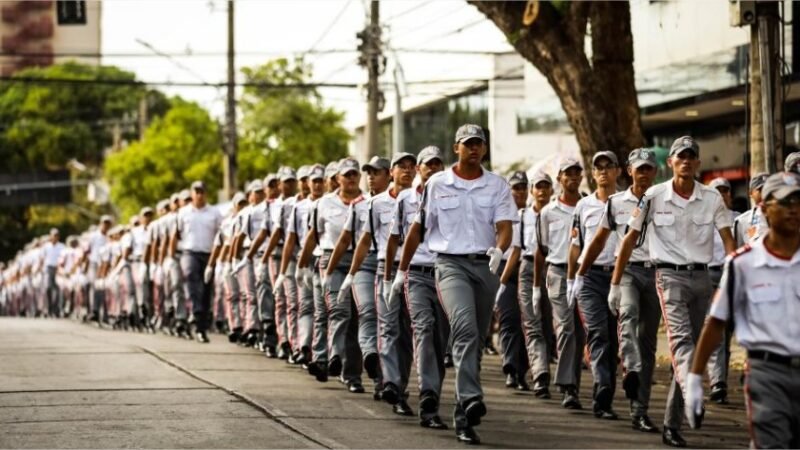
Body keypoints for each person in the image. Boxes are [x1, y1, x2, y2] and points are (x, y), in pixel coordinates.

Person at [396, 124, 517, 444]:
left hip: (485, 266)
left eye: (479, 144)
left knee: (476, 338)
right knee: (463, 327)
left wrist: (499, 249)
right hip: (449, 264)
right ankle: (471, 396)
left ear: (485, 149)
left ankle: (464, 414)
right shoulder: (437, 184)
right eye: (468, 144)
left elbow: (505, 226)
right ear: (457, 148)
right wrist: (400, 271)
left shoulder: (497, 185)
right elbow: (417, 231)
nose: (474, 148)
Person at [612, 136, 736, 447]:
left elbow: (729, 242)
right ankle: (694, 390)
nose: (685, 161)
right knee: (681, 345)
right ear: (670, 163)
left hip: (702, 279)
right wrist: (615, 283)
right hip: (668, 278)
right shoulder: (653, 196)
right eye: (679, 156)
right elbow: (628, 239)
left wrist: (737, 277)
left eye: (690, 156)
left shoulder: (711, 199)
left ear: (697, 163)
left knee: (692, 349)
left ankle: (671, 424)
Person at [686, 171, 800, 449]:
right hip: (767, 373)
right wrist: (694, 379)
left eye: (798, 201)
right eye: (784, 202)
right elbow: (716, 322)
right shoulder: (743, 264)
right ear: (764, 209)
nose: (793, 209)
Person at [577, 148, 660, 432]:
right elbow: (595, 242)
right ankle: (613, 381)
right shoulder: (612, 204)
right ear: (629, 171)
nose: (644, 173)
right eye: (639, 168)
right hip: (619, 274)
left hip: (656, 273)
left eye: (649, 168)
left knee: (644, 343)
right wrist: (577, 275)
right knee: (617, 323)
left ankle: (639, 408)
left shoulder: (664, 199)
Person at [385, 145, 449, 429]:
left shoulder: (451, 197)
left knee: (440, 338)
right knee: (421, 330)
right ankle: (426, 396)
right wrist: (393, 275)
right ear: (419, 169)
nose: (433, 168)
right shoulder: (405, 200)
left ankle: (432, 394)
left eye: (438, 164)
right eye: (428, 164)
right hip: (417, 274)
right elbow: (394, 239)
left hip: (448, 274)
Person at [348, 153, 417, 410]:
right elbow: (365, 240)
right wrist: (352, 273)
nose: (407, 172)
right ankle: (390, 385)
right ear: (392, 172)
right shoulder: (375, 203)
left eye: (412, 168)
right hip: (384, 270)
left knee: (407, 334)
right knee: (387, 328)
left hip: (414, 272)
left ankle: (399, 384)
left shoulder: (422, 199)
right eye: (402, 167)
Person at [296, 158, 366, 392]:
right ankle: (328, 358)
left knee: (356, 318)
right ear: (337, 179)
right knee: (335, 310)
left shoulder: (367, 203)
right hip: (329, 260)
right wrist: (302, 265)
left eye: (355, 174)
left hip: (360, 261)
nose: (351, 178)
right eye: (346, 174)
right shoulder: (323, 204)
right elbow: (313, 236)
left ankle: (353, 374)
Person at [325, 155, 392, 397]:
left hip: (393, 265)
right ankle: (365, 359)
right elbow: (347, 240)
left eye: (377, 172)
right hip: (363, 263)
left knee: (390, 323)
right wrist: (332, 272)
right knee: (363, 312)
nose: (370, 177)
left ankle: (384, 381)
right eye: (369, 172)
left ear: (389, 174)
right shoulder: (360, 205)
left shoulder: (404, 200)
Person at [568, 151, 621, 419]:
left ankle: (606, 396)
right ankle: (602, 387)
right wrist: (571, 279)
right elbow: (576, 246)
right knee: (598, 333)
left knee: (614, 339)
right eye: (598, 167)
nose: (602, 171)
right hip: (589, 277)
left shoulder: (626, 202)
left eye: (608, 166)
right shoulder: (583, 206)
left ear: (618, 171)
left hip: (619, 278)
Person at [534, 157, 585, 410]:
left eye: (577, 173)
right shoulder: (547, 212)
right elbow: (541, 249)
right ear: (560, 179)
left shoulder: (588, 206)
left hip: (585, 275)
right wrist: (535, 286)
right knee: (566, 328)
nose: (573, 177)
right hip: (557, 272)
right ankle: (568, 386)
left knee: (580, 330)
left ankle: (572, 382)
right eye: (568, 173)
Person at [279, 164, 326, 365]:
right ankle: (303, 346)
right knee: (304, 306)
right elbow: (290, 239)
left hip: (324, 260)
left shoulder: (329, 204)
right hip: (303, 260)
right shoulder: (297, 207)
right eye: (312, 180)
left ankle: (320, 352)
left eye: (319, 180)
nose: (315, 184)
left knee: (322, 309)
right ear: (306, 183)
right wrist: (286, 271)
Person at [517, 171, 555, 399]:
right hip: (528, 268)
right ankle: (541, 374)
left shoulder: (557, 213)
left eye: (545, 186)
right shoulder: (522, 216)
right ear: (532, 191)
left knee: (549, 324)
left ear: (551, 190)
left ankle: (542, 366)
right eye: (537, 187)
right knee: (532, 323)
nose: (541, 191)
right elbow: (514, 248)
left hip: (552, 269)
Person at [171, 181, 222, 343]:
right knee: (191, 276)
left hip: (208, 254)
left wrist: (218, 258)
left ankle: (201, 326)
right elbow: (175, 235)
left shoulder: (215, 212)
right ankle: (196, 311)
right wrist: (171, 256)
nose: (199, 195)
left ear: (206, 194)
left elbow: (220, 236)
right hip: (189, 253)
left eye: (202, 192)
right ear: (192, 194)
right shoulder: (183, 212)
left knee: (207, 289)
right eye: (196, 192)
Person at [494, 170, 531, 391]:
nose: (519, 192)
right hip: (503, 271)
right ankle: (510, 367)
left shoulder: (532, 214)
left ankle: (522, 370)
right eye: (515, 187)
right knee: (508, 320)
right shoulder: (501, 214)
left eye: (523, 187)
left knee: (526, 323)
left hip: (527, 272)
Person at [705, 177, 741, 404]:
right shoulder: (703, 218)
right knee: (715, 327)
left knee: (727, 332)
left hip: (732, 277)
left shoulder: (739, 219)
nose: (722, 195)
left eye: (725, 191)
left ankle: (721, 379)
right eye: (717, 191)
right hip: (707, 276)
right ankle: (717, 382)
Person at [733, 173, 769, 247]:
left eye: (768, 189)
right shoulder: (742, 221)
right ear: (750, 193)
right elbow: (739, 250)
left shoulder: (785, 216)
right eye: (760, 190)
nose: (765, 193)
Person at [42, 228, 65, 318]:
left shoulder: (62, 246)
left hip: (58, 269)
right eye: (53, 235)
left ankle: (56, 309)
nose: (55, 237)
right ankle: (49, 308)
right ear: (50, 236)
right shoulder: (46, 246)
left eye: (57, 235)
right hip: (48, 268)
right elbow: (42, 258)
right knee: (48, 288)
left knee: (58, 289)